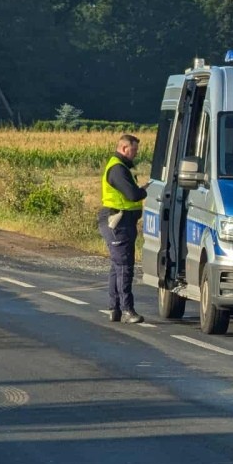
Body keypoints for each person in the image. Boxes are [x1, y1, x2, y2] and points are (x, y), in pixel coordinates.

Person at [99, 134, 147, 323]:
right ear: (124, 148)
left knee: (117, 266)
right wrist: (143, 190)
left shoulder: (121, 166)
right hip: (118, 221)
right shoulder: (118, 168)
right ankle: (127, 310)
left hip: (120, 221)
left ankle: (115, 309)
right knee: (124, 266)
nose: (136, 154)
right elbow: (132, 194)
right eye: (134, 150)